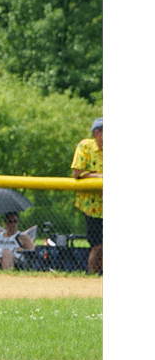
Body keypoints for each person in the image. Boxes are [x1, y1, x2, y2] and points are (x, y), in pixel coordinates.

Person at [70, 117, 103, 274]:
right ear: (97, 132)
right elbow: (77, 173)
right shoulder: (85, 146)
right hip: (92, 206)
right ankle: (93, 276)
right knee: (98, 245)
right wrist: (98, 177)